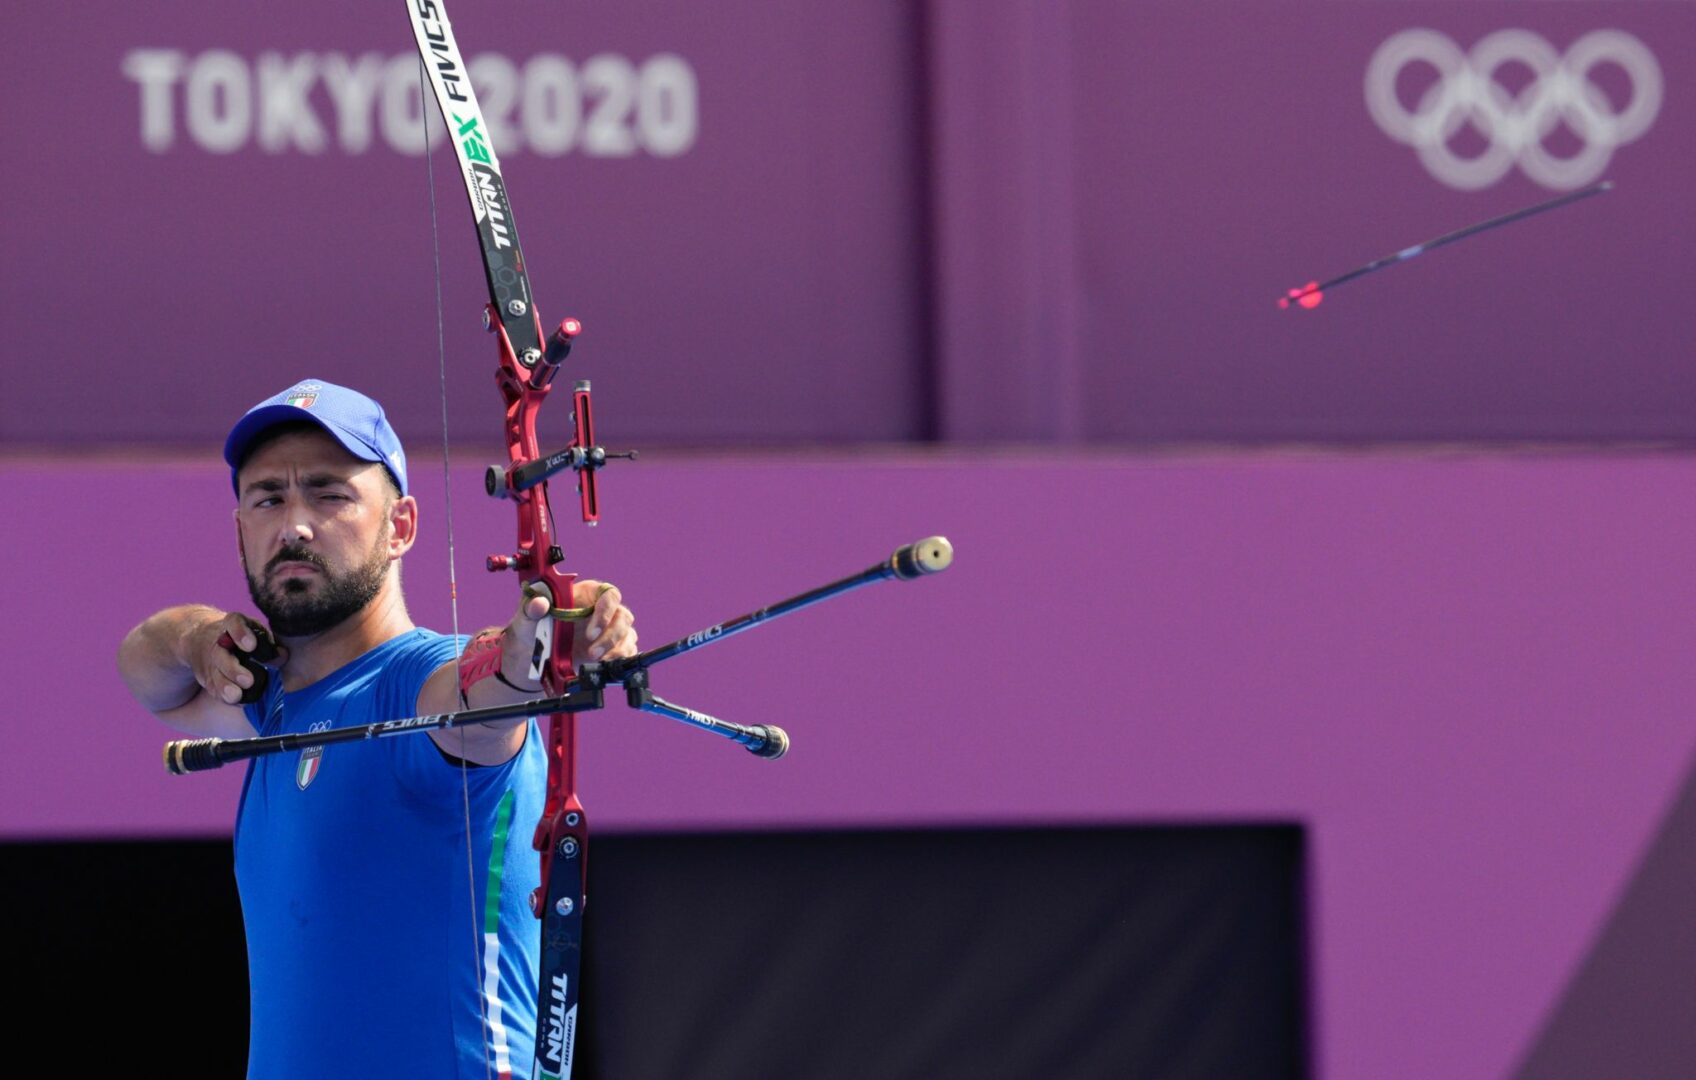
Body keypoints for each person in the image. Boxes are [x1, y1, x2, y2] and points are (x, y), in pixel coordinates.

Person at [117, 378, 636, 1079]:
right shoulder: (268, 700)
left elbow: (485, 692)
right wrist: (196, 636)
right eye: (269, 498)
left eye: (329, 495)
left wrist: (536, 641)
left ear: (400, 527)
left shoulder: (418, 679)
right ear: (241, 533)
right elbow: (143, 668)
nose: (295, 525)